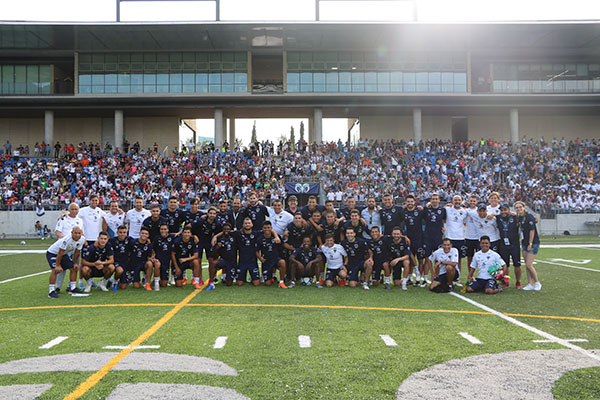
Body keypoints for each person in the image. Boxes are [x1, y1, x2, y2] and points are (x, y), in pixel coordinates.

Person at [46, 226, 85, 298]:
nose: (77, 235)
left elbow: (77, 252)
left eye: (79, 233)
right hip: (53, 253)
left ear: (81, 233)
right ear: (71, 233)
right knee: (55, 270)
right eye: (75, 233)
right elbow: (60, 253)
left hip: (63, 254)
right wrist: (57, 265)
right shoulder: (67, 240)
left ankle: (72, 288)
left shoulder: (82, 239)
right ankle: (51, 291)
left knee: (74, 268)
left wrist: (74, 263)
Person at [514, 201, 542, 291]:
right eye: (517, 207)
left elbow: (532, 230)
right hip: (524, 242)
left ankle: (537, 282)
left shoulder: (528, 216)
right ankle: (530, 283)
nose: (519, 209)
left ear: (524, 207)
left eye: (520, 207)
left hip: (533, 243)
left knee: (529, 264)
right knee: (526, 265)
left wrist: (530, 243)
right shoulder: (519, 217)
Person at [400, 194, 426, 285]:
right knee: (410, 259)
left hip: (419, 238)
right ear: (405, 202)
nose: (410, 203)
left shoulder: (419, 211)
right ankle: (410, 278)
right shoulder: (403, 212)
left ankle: (419, 278)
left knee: (420, 259)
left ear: (414, 202)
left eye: (411, 201)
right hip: (408, 238)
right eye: (408, 201)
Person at [422, 193, 446, 287]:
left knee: (437, 259)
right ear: (430, 200)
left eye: (436, 199)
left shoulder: (443, 210)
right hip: (427, 236)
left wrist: (444, 228)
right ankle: (425, 278)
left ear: (439, 200)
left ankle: (436, 277)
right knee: (427, 258)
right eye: (433, 199)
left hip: (438, 237)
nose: (435, 200)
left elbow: (445, 220)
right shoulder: (426, 210)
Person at [496, 204, 522, 289]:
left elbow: (525, 216)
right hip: (503, 244)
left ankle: (518, 282)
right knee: (505, 264)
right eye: (501, 210)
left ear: (509, 210)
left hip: (514, 243)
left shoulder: (515, 217)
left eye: (505, 210)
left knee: (517, 264)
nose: (503, 212)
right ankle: (505, 281)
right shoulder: (498, 217)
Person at [445, 195, 468, 286]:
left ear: (461, 201)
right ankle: (447, 277)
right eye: (455, 200)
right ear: (452, 201)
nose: (457, 201)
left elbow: (466, 222)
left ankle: (457, 278)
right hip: (449, 238)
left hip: (460, 238)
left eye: (459, 200)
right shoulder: (447, 209)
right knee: (448, 258)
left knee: (458, 259)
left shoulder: (464, 212)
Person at [256, 221, 287, 288]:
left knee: (282, 262)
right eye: (265, 228)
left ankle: (281, 282)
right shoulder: (260, 239)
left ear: (271, 228)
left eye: (268, 227)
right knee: (268, 284)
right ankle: (271, 278)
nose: (267, 229)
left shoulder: (276, 237)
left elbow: (281, 247)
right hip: (266, 261)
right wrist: (260, 258)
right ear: (262, 229)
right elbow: (256, 251)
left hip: (275, 259)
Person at [210, 223, 238, 287]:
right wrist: (217, 248)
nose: (226, 231)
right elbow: (214, 254)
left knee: (229, 284)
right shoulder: (219, 239)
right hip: (224, 260)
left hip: (232, 262)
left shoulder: (235, 238)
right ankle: (211, 282)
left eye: (228, 229)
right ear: (222, 230)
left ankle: (226, 276)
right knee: (213, 263)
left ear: (231, 230)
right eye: (224, 229)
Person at [151, 223, 175, 290]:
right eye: (161, 229)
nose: (163, 231)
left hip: (167, 261)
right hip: (158, 259)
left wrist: (194, 236)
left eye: (165, 229)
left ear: (168, 230)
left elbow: (184, 234)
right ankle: (156, 282)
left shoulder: (172, 237)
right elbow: (153, 249)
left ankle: (158, 280)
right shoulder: (156, 238)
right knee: (157, 264)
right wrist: (153, 257)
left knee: (164, 284)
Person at [108, 225, 130, 291]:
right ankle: (115, 282)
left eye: (124, 232)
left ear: (126, 233)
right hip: (115, 262)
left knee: (123, 287)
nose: (122, 234)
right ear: (117, 232)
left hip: (126, 263)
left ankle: (113, 280)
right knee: (119, 270)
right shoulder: (112, 241)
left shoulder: (130, 240)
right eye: (120, 232)